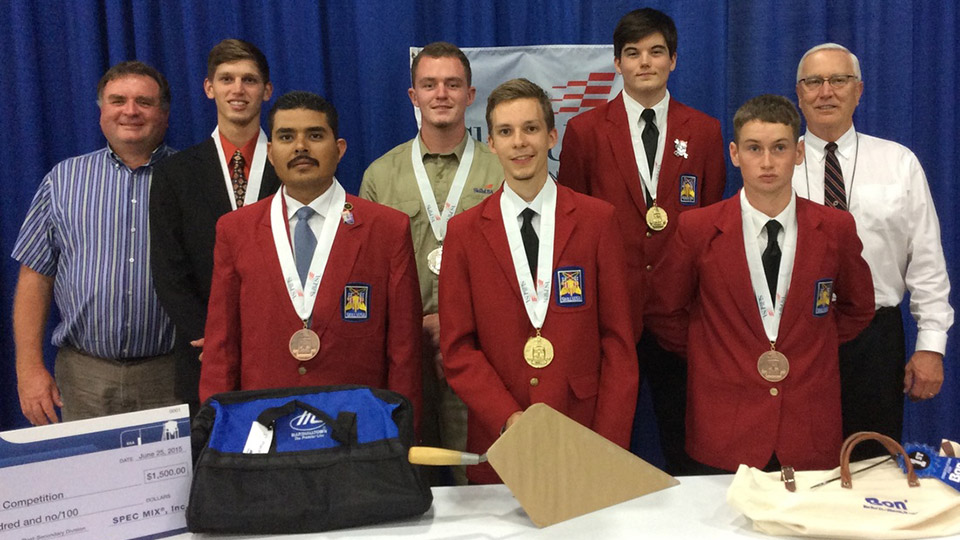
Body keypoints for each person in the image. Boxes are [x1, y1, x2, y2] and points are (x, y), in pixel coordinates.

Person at [647, 94, 875, 472]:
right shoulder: (698, 229)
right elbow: (663, 312)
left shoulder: (834, 228)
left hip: (807, 430)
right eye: (755, 149)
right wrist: (712, 351)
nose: (767, 162)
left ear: (798, 153)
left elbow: (859, 307)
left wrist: (812, 345)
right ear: (735, 154)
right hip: (725, 429)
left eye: (779, 148)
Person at [440, 79, 638, 484]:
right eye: (506, 132)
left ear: (552, 136)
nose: (520, 143)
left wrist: (608, 443)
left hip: (584, 431)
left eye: (531, 129)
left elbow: (619, 342)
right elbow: (459, 348)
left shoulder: (597, 220)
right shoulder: (464, 232)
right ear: (490, 143)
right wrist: (507, 417)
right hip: (502, 438)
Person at [557, 7, 727, 475]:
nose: (644, 62)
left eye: (656, 52)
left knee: (689, 443)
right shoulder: (586, 131)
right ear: (617, 63)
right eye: (632, 53)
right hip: (611, 315)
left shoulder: (706, 131)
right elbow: (571, 230)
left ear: (674, 59)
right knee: (608, 443)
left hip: (683, 314)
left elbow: (711, 227)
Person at [198, 91, 422, 425]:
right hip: (263, 426)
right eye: (287, 137)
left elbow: (404, 349)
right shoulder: (236, 231)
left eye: (315, 135)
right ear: (271, 153)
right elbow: (222, 346)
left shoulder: (386, 228)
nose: (301, 147)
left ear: (340, 148)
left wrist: (403, 430)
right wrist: (217, 429)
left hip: (357, 430)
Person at [792, 43, 953, 456]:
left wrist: (930, 346)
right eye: (813, 82)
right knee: (801, 459)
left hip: (874, 339)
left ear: (859, 90)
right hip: (795, 335)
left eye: (838, 80)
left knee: (872, 466)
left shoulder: (898, 162)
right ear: (799, 93)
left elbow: (928, 262)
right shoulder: (775, 164)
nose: (825, 91)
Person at [359, 42, 502, 484]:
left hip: (480, 348)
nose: (441, 93)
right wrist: (414, 322)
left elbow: (517, 269)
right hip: (402, 348)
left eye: (453, 84)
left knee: (475, 472)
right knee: (404, 472)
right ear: (412, 95)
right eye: (429, 84)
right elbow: (365, 272)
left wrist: (457, 321)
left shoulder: (501, 172)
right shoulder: (380, 175)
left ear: (471, 94)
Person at [12, 61, 177, 425]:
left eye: (144, 102)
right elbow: (34, 279)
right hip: (82, 378)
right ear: (101, 111)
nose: (130, 111)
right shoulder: (64, 180)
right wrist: (28, 369)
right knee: (87, 483)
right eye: (117, 100)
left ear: (164, 113)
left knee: (174, 483)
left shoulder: (190, 179)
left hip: (169, 378)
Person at [151, 39, 281, 413]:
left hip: (281, 348)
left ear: (267, 90)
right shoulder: (175, 173)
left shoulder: (295, 167)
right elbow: (168, 270)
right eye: (226, 79)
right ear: (209, 88)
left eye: (249, 80)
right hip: (204, 356)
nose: (237, 90)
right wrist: (211, 338)